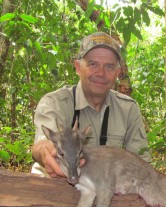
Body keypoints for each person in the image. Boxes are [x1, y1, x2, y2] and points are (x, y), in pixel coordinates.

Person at [32, 32, 151, 178]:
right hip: (51, 187)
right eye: (93, 64)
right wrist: (47, 151)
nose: (100, 73)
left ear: (117, 72)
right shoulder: (54, 103)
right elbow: (41, 145)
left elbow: (141, 163)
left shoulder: (128, 109)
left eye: (109, 66)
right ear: (78, 67)